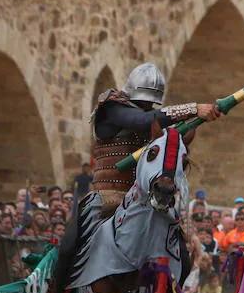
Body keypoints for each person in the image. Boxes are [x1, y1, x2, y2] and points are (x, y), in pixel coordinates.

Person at [89, 63, 219, 216]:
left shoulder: (152, 116)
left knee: (181, 232)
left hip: (146, 196)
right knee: (77, 236)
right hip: (109, 195)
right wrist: (193, 109)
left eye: (150, 103)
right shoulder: (112, 108)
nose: (148, 105)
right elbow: (143, 121)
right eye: (144, 102)